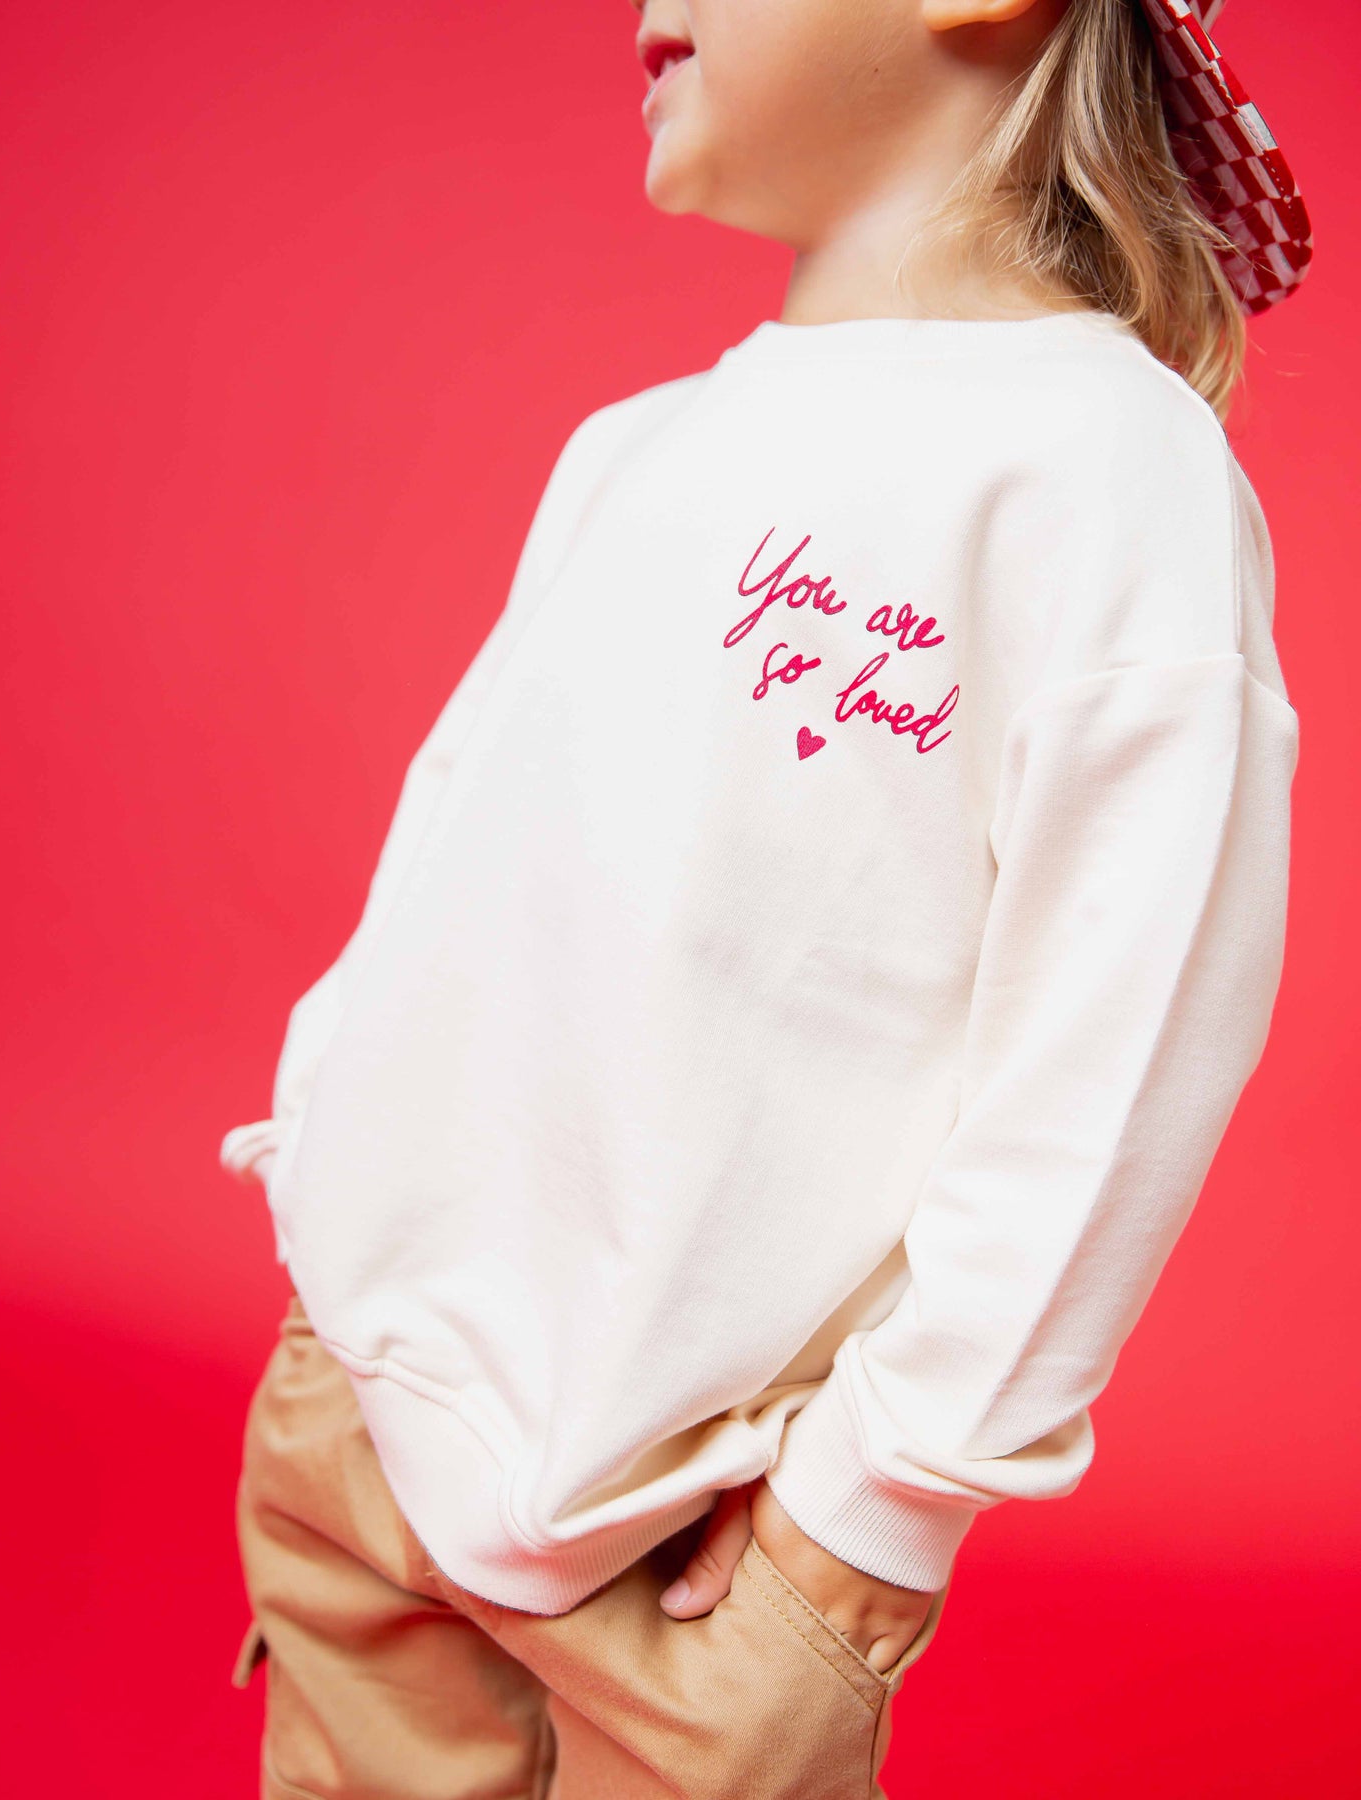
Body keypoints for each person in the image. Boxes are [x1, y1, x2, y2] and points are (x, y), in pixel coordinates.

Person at [220, 2, 1312, 1794]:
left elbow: (1120, 1046)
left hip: (701, 1539)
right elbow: (463, 836)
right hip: (354, 1392)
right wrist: (319, 1152)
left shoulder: (1106, 469)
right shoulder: (632, 445)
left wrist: (885, 1499)